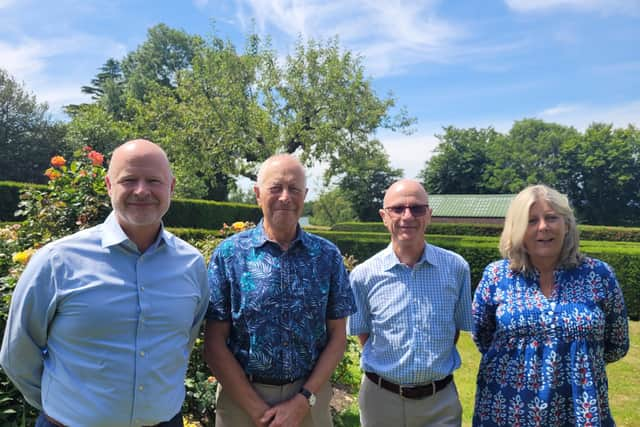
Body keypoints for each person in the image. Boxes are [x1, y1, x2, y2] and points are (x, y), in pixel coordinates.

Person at [0, 139, 210, 427]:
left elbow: (183, 342)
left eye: (153, 180)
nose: (141, 190)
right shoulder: (56, 261)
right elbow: (17, 354)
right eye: (129, 180)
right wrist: (63, 404)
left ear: (171, 187)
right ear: (109, 186)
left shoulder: (192, 265)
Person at [204, 153, 356, 427]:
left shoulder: (327, 256)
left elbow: (337, 336)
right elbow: (214, 343)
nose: (285, 197)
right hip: (240, 400)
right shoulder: (229, 255)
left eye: (294, 189)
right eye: (276, 188)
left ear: (305, 194)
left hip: (309, 398)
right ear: (258, 194)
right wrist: (257, 410)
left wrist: (303, 400)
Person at [472, 184, 629, 426]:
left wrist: (576, 362)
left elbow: (617, 344)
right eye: (531, 220)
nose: (543, 227)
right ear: (517, 229)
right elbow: (482, 336)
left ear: (567, 225)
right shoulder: (496, 276)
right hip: (507, 410)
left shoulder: (598, 275)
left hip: (579, 410)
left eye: (552, 218)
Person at [348, 179, 473, 427]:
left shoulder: (456, 267)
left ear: (429, 215)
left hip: (440, 403)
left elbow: (454, 329)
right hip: (381, 402)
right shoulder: (363, 275)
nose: (408, 216)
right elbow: (364, 334)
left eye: (417, 208)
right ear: (384, 216)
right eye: (398, 209)